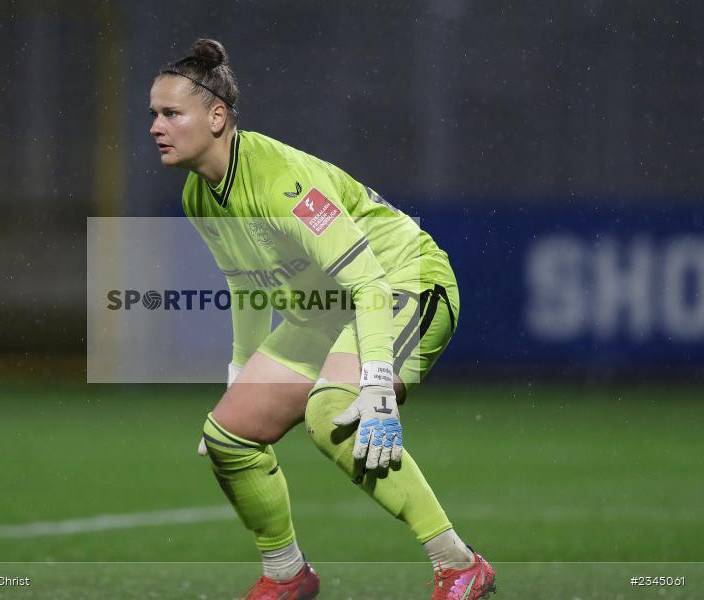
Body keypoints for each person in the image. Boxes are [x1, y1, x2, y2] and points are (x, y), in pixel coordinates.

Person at [148, 38, 496, 600]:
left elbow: (370, 284)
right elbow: (246, 283)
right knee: (229, 438)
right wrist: (240, 370)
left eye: (170, 113)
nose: (156, 127)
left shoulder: (283, 182)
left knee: (334, 412)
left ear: (216, 117)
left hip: (405, 284)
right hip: (327, 310)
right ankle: (287, 574)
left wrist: (378, 386)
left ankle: (458, 564)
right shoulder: (199, 195)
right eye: (154, 115)